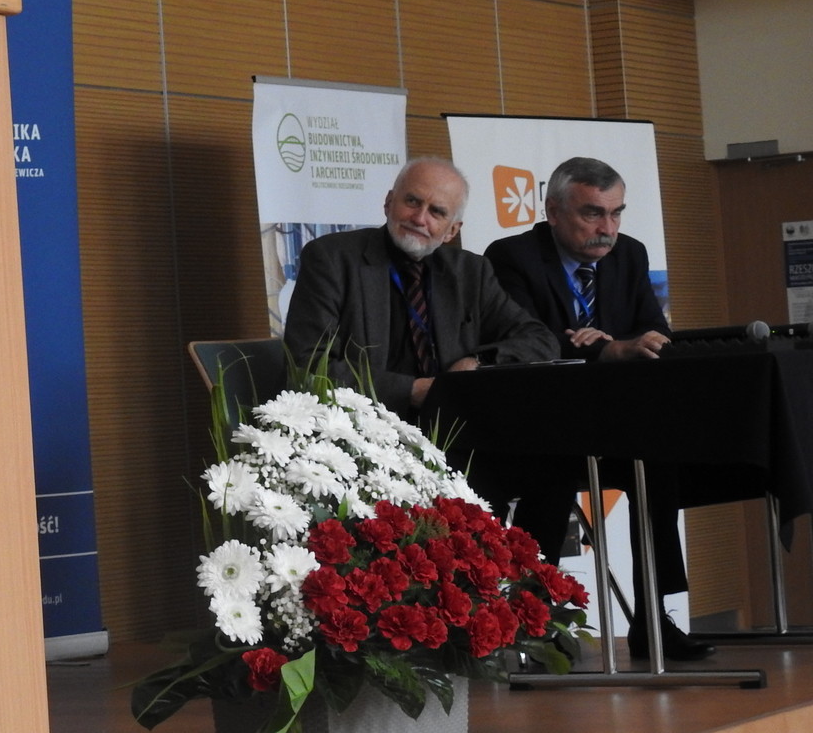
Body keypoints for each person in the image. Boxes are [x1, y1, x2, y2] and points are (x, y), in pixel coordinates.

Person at [484, 156, 714, 660]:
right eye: (592, 213)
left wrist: (615, 342)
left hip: (613, 421)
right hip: (538, 424)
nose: (607, 228)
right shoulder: (511, 257)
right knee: (550, 471)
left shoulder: (628, 254)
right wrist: (607, 348)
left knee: (658, 466)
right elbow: (525, 341)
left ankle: (653, 619)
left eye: (616, 213)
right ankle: (536, 623)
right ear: (553, 211)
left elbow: (655, 332)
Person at [283, 158, 558, 421]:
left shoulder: (471, 272)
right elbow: (306, 365)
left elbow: (541, 341)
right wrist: (411, 391)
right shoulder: (332, 259)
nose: (419, 218)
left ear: (452, 230)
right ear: (389, 202)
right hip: (362, 427)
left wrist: (476, 362)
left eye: (437, 212)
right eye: (412, 201)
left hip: (454, 424)